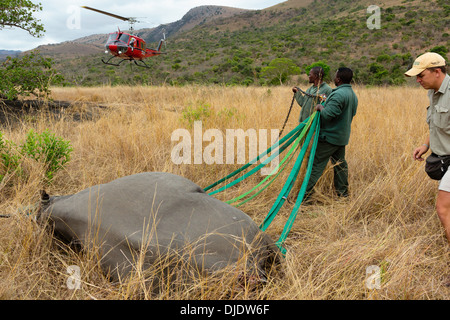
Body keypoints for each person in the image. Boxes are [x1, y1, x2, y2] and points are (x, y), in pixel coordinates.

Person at [407, 52, 450, 244]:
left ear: (437, 72)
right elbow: (437, 124)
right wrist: (426, 145)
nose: (417, 80)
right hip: (443, 157)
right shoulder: (433, 92)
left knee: (443, 208)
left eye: (421, 75)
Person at [305, 67, 358, 200]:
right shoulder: (351, 94)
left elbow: (328, 115)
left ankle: (305, 196)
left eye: (335, 76)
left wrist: (320, 107)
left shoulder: (339, 94)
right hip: (341, 137)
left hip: (329, 137)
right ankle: (343, 194)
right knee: (340, 165)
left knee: (315, 165)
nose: (333, 78)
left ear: (338, 79)